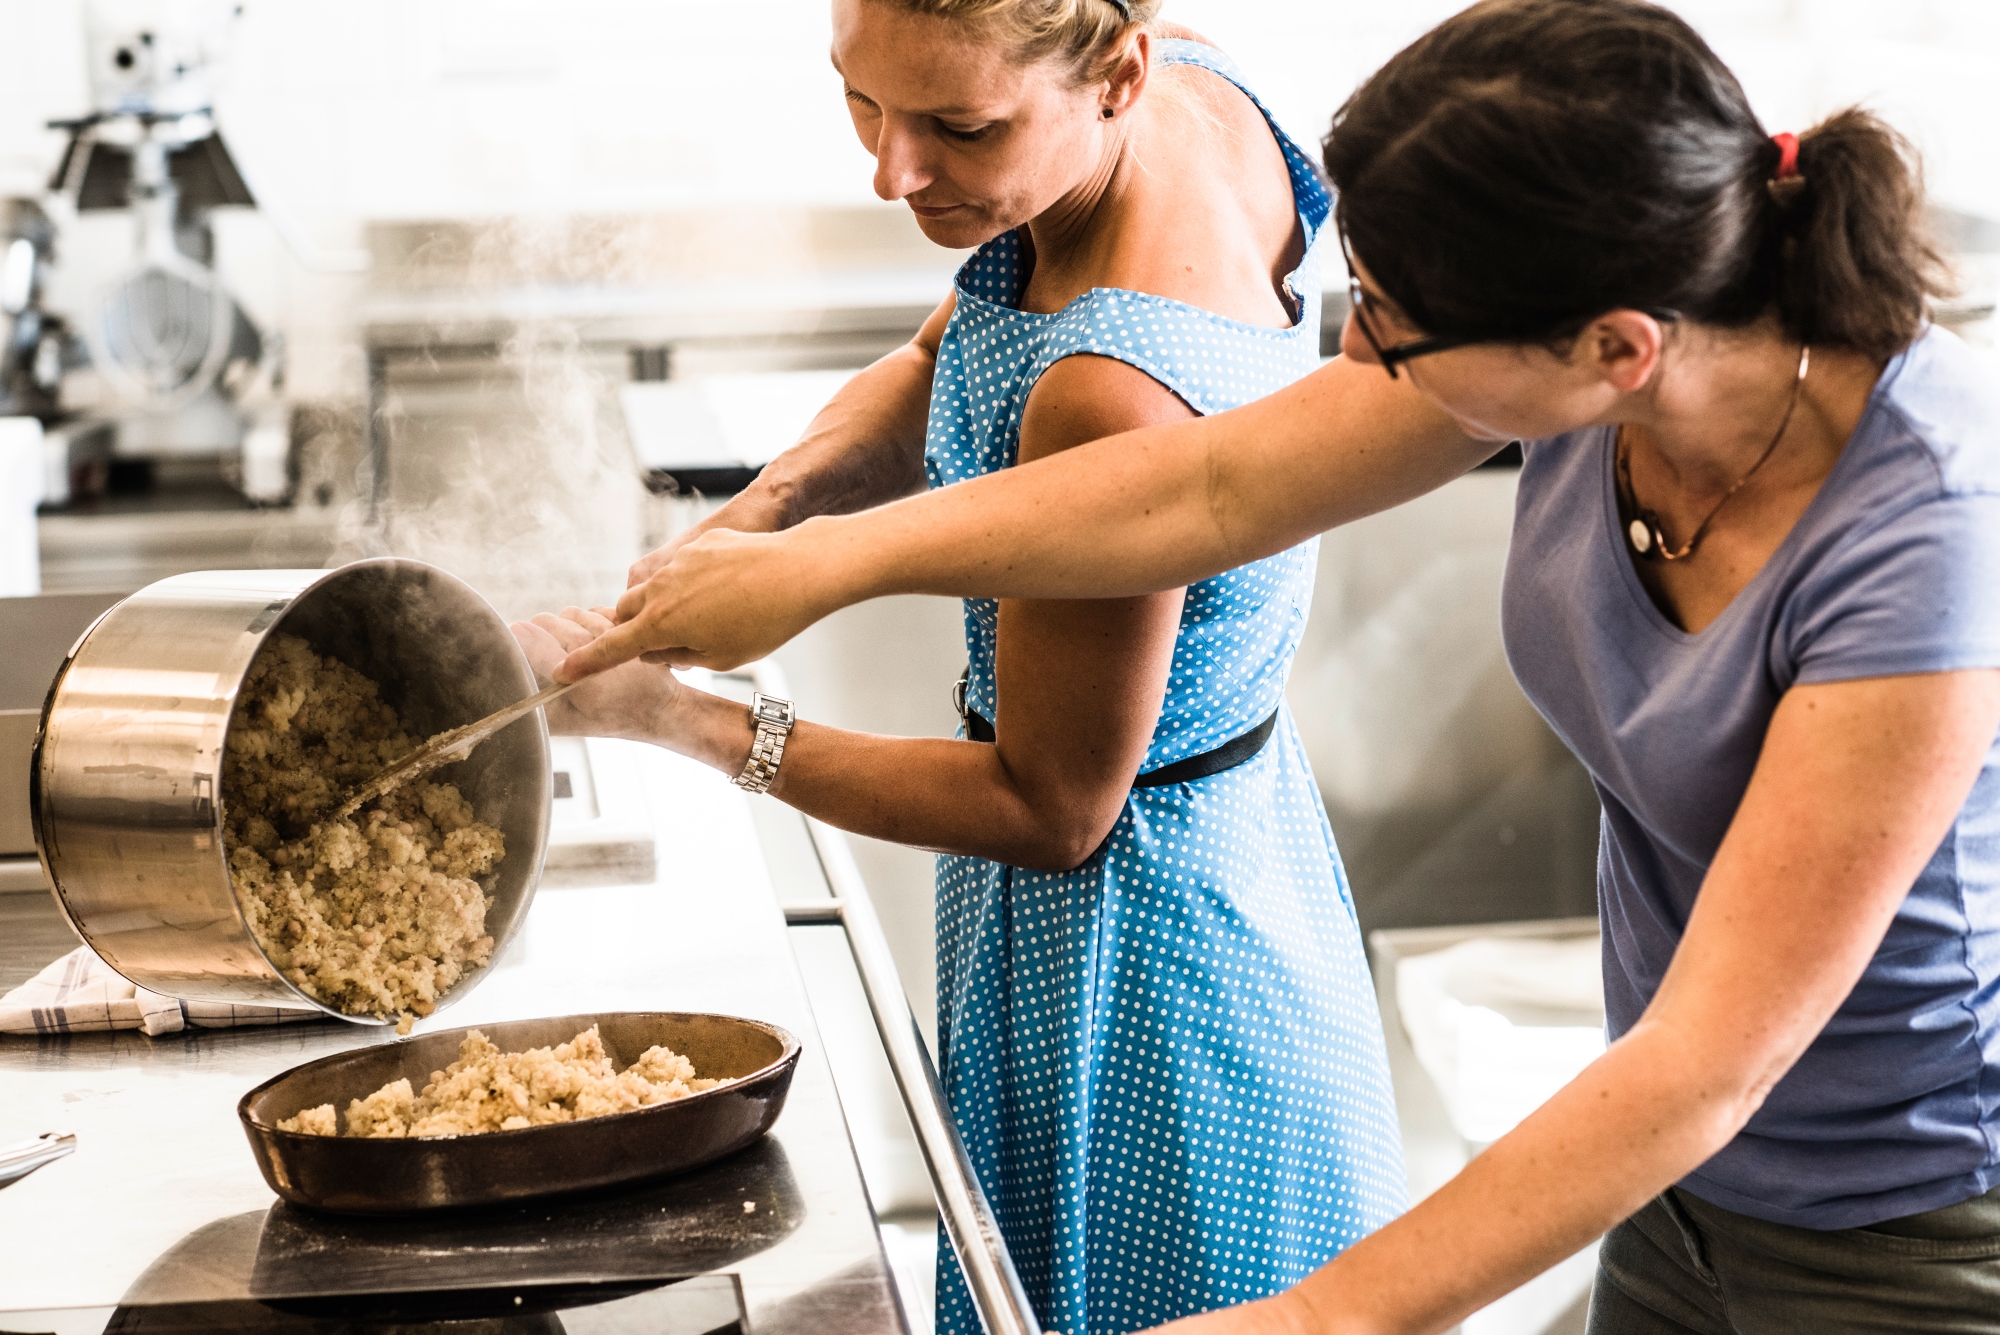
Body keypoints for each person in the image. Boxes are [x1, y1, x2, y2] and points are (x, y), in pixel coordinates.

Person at [559, 0, 2000, 1330]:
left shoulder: (1926, 538)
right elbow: (1207, 487)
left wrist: (1308, 1319)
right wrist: (816, 557)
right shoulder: (1606, 326)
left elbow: (1705, 1062)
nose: (1353, 350)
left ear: (1612, 349)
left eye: (1386, 324)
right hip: (1676, 1189)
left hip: (1907, 1231)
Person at [515, 3, 1408, 1333]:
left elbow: (1049, 808)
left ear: (1115, 72)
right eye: (861, 101)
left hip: (1137, 977)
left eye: (956, 128)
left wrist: (689, 725)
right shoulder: (1177, 100)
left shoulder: (1112, 388)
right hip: (1241, 868)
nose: (891, 170)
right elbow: (946, 350)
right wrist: (763, 515)